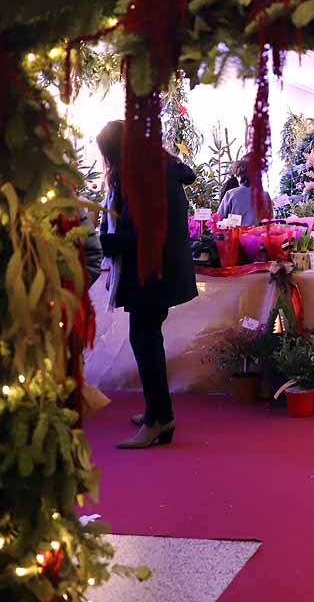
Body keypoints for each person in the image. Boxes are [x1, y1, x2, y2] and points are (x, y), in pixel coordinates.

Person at [97, 120, 199, 449]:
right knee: (147, 340)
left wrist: (100, 241)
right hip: (158, 272)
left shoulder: (145, 179)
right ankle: (155, 411)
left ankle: (160, 418)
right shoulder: (160, 169)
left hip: (152, 274)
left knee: (145, 342)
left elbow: (138, 234)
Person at [218, 157, 273, 226]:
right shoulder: (265, 195)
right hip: (259, 235)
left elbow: (219, 220)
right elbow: (270, 222)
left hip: (235, 235)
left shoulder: (231, 194)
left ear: (239, 175)